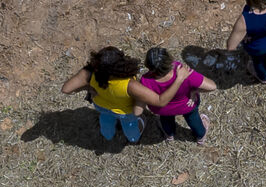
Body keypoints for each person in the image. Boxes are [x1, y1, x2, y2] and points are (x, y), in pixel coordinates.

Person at [61, 46, 194, 145]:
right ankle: (133, 138)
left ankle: (108, 135)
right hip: (124, 112)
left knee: (106, 119)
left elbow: (66, 89)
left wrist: (88, 87)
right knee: (130, 125)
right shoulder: (129, 85)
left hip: (101, 105)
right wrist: (179, 79)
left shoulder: (90, 72)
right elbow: (160, 101)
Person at [140, 47, 218, 145]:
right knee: (193, 118)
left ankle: (169, 135)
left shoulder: (145, 80)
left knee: (165, 120)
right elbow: (212, 86)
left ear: (148, 65)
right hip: (187, 105)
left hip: (162, 109)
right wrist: (194, 91)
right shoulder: (182, 71)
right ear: (169, 60)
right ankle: (200, 136)